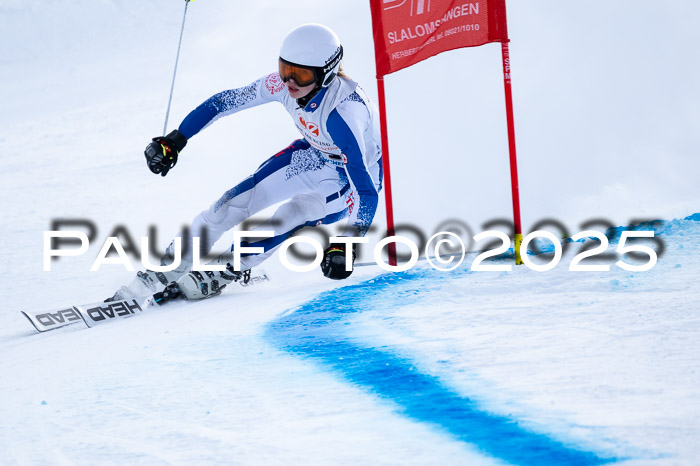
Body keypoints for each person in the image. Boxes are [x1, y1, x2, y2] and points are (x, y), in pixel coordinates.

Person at [118, 23, 383, 301]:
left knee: (292, 213)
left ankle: (227, 268)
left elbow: (366, 191)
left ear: (326, 74)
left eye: (301, 75)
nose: (289, 82)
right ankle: (173, 265)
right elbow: (223, 103)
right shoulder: (281, 85)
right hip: (313, 154)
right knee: (228, 205)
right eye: (285, 69)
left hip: (348, 178)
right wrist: (175, 139)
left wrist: (346, 245)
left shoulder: (342, 116)